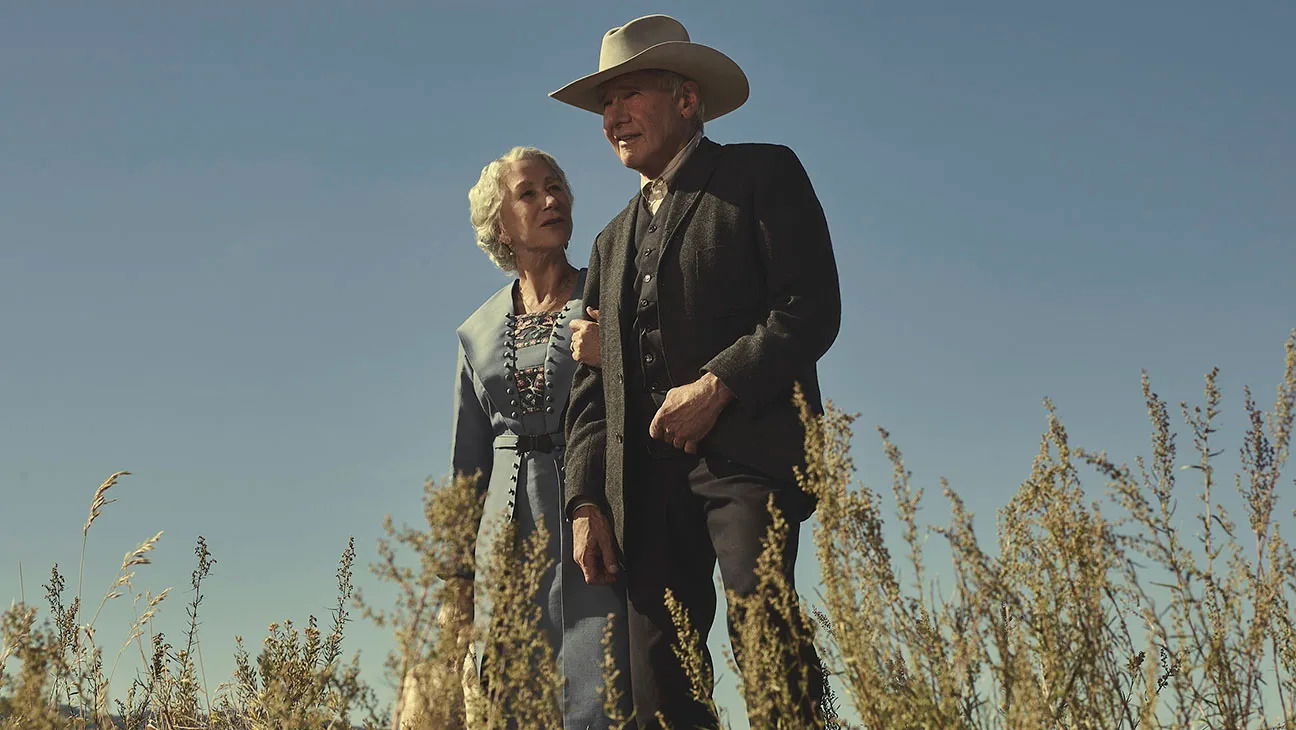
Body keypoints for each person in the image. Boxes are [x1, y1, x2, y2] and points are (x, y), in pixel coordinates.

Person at [554, 14, 841, 729]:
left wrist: (718, 385)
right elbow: (589, 393)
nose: (613, 116)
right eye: (604, 106)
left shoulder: (761, 173)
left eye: (629, 95)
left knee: (766, 641)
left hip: (747, 462)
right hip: (642, 490)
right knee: (660, 682)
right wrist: (586, 502)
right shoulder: (608, 242)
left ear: (687, 100)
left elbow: (810, 307)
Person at [399, 146, 632, 729]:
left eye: (557, 187)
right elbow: (466, 470)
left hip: (597, 519)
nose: (551, 199)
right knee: (509, 699)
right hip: (502, 539)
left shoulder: (607, 301)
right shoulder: (474, 333)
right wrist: (458, 585)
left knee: (603, 689)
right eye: (529, 192)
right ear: (500, 223)